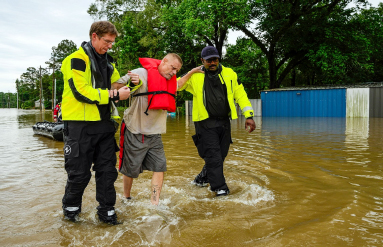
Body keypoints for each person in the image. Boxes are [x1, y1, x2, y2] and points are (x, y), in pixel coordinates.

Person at [60, 21, 131, 224]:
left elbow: (117, 84)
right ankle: (71, 213)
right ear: (94, 36)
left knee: (107, 172)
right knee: (79, 174)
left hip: (105, 126)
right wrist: (115, 94)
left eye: (112, 42)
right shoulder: (76, 60)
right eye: (107, 41)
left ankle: (106, 211)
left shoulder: (109, 64)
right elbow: (81, 91)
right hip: (79, 127)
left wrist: (131, 82)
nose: (110, 46)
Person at [177, 46, 256, 197]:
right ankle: (220, 189)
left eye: (215, 59)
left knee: (221, 155)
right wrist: (192, 71)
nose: (212, 63)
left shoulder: (229, 73)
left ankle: (201, 179)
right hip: (204, 123)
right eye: (209, 60)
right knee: (213, 156)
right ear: (202, 61)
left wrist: (249, 115)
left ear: (218, 59)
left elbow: (241, 94)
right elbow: (176, 86)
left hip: (224, 122)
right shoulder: (195, 76)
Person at [112, 53, 183, 205]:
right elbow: (114, 89)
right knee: (130, 169)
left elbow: (181, 83)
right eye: (173, 68)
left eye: (177, 70)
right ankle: (126, 197)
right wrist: (132, 84)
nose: (174, 73)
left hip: (155, 133)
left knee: (160, 167)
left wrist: (193, 72)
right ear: (164, 61)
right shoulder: (140, 73)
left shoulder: (170, 81)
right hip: (134, 129)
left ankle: (154, 203)